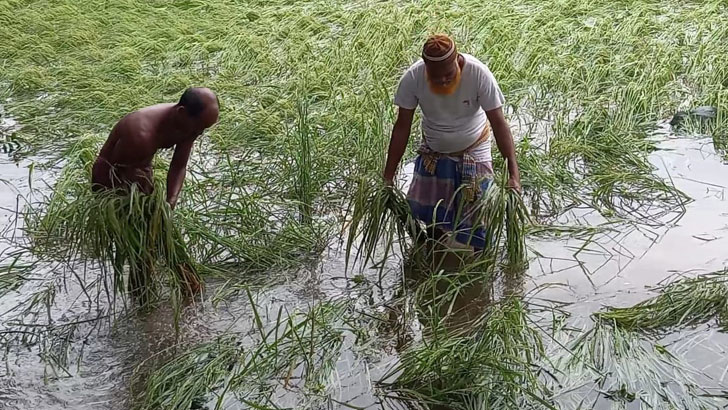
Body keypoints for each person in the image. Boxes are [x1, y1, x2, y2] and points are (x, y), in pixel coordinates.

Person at [383, 34, 521, 250]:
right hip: (434, 153)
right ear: (426, 69)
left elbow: (499, 123)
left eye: (448, 74)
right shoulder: (413, 78)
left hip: (475, 149)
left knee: (478, 217)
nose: (444, 81)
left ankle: (480, 266)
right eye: (436, 77)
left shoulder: (478, 74)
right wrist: (388, 177)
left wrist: (513, 174)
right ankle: (433, 256)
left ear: (458, 61)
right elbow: (401, 128)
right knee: (434, 216)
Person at [91, 87, 219, 299]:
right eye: (199, 128)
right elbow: (123, 175)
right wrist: (154, 216)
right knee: (142, 245)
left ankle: (176, 290)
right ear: (181, 113)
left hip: (136, 171)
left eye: (204, 129)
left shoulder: (189, 124)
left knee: (156, 237)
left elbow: (179, 165)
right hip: (111, 184)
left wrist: (170, 202)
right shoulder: (141, 134)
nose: (199, 133)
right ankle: (144, 296)